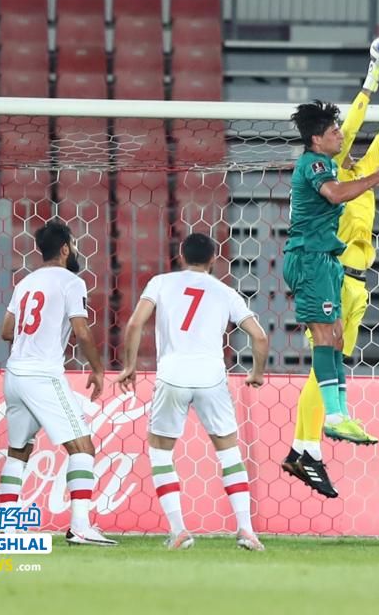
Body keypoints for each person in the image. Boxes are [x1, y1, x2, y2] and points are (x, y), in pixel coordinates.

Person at [282, 58, 379, 498]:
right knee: (323, 358)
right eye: (337, 134)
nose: (344, 138)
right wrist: (368, 83)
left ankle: (310, 442)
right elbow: (344, 126)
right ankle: (309, 445)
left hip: (353, 280)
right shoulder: (329, 172)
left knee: (330, 356)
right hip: (324, 268)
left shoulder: (353, 169)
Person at [116, 233, 270, 551]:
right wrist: (255, 373)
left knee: (160, 452)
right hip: (211, 377)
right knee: (229, 453)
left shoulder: (161, 282)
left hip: (172, 375)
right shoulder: (225, 292)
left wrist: (129, 366)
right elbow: (260, 337)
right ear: (214, 260)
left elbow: (133, 324)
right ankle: (246, 530)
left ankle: (180, 530)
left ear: (181, 257)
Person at [0, 219, 115, 546]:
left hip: (14, 374)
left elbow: (8, 330)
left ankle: (7, 529)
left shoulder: (25, 283)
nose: (75, 250)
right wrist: (98, 368)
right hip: (42, 375)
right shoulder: (71, 282)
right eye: (74, 245)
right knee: (82, 446)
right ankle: (80, 526)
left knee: (18, 450)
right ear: (65, 249)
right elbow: (82, 331)